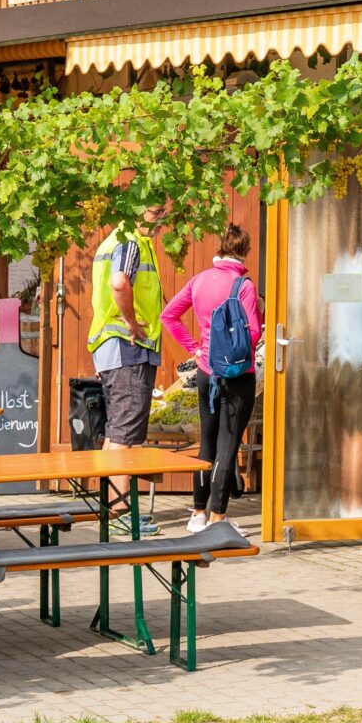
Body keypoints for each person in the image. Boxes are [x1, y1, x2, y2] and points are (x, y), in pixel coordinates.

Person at [160, 222, 264, 532]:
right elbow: (253, 333)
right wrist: (258, 312)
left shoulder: (199, 280)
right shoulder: (244, 286)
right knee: (227, 446)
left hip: (206, 372)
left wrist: (194, 348)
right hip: (237, 375)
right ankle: (218, 517)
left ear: (221, 247)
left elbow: (169, 315)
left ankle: (197, 515)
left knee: (206, 442)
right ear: (245, 251)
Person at [88, 209, 166, 450]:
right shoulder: (130, 241)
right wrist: (131, 322)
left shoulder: (112, 240)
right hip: (128, 349)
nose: (162, 218)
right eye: (156, 212)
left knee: (116, 432)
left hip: (112, 349)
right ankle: (119, 479)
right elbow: (119, 282)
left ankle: (109, 479)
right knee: (126, 439)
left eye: (164, 211)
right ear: (137, 210)